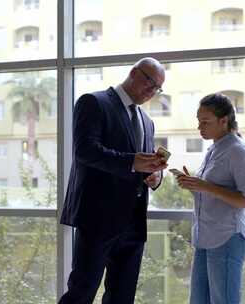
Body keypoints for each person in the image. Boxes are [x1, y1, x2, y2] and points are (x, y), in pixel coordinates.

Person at [59, 57, 168, 304]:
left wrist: (154, 176)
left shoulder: (147, 122)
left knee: (122, 297)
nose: (152, 91)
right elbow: (85, 151)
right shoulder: (94, 102)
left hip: (133, 223)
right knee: (81, 293)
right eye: (150, 83)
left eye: (157, 88)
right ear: (134, 72)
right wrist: (132, 162)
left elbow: (143, 165)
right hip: (98, 219)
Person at [175, 93, 245, 304]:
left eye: (205, 122)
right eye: (198, 121)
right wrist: (194, 185)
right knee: (198, 300)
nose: (199, 127)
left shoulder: (238, 151)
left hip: (227, 238)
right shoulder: (214, 149)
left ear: (224, 121)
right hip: (206, 237)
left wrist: (206, 186)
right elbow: (213, 193)